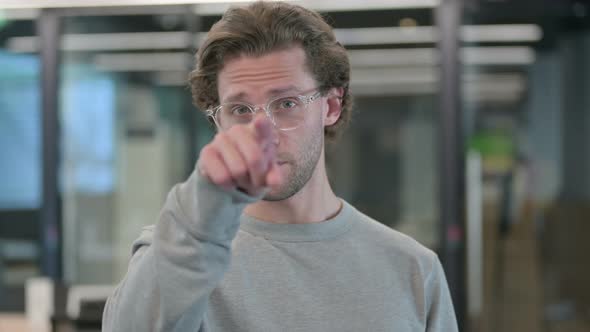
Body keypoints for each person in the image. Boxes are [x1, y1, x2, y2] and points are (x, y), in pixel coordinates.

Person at [102, 1, 458, 331]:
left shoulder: (412, 269)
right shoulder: (182, 252)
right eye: (240, 110)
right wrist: (202, 209)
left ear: (331, 107)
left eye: (286, 103)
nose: (263, 132)